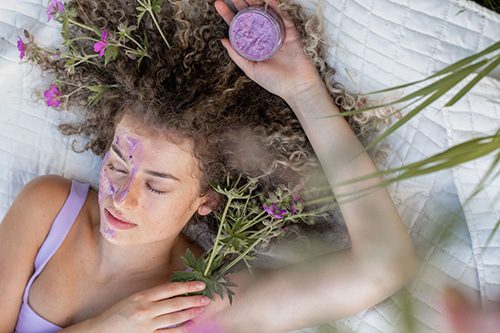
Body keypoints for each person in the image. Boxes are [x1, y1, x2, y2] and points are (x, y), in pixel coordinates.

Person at [0, 0, 417, 332]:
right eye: (118, 165)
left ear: (206, 200)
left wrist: (304, 90)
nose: (122, 200)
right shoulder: (50, 206)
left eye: (158, 186)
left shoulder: (197, 304)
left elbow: (382, 266)